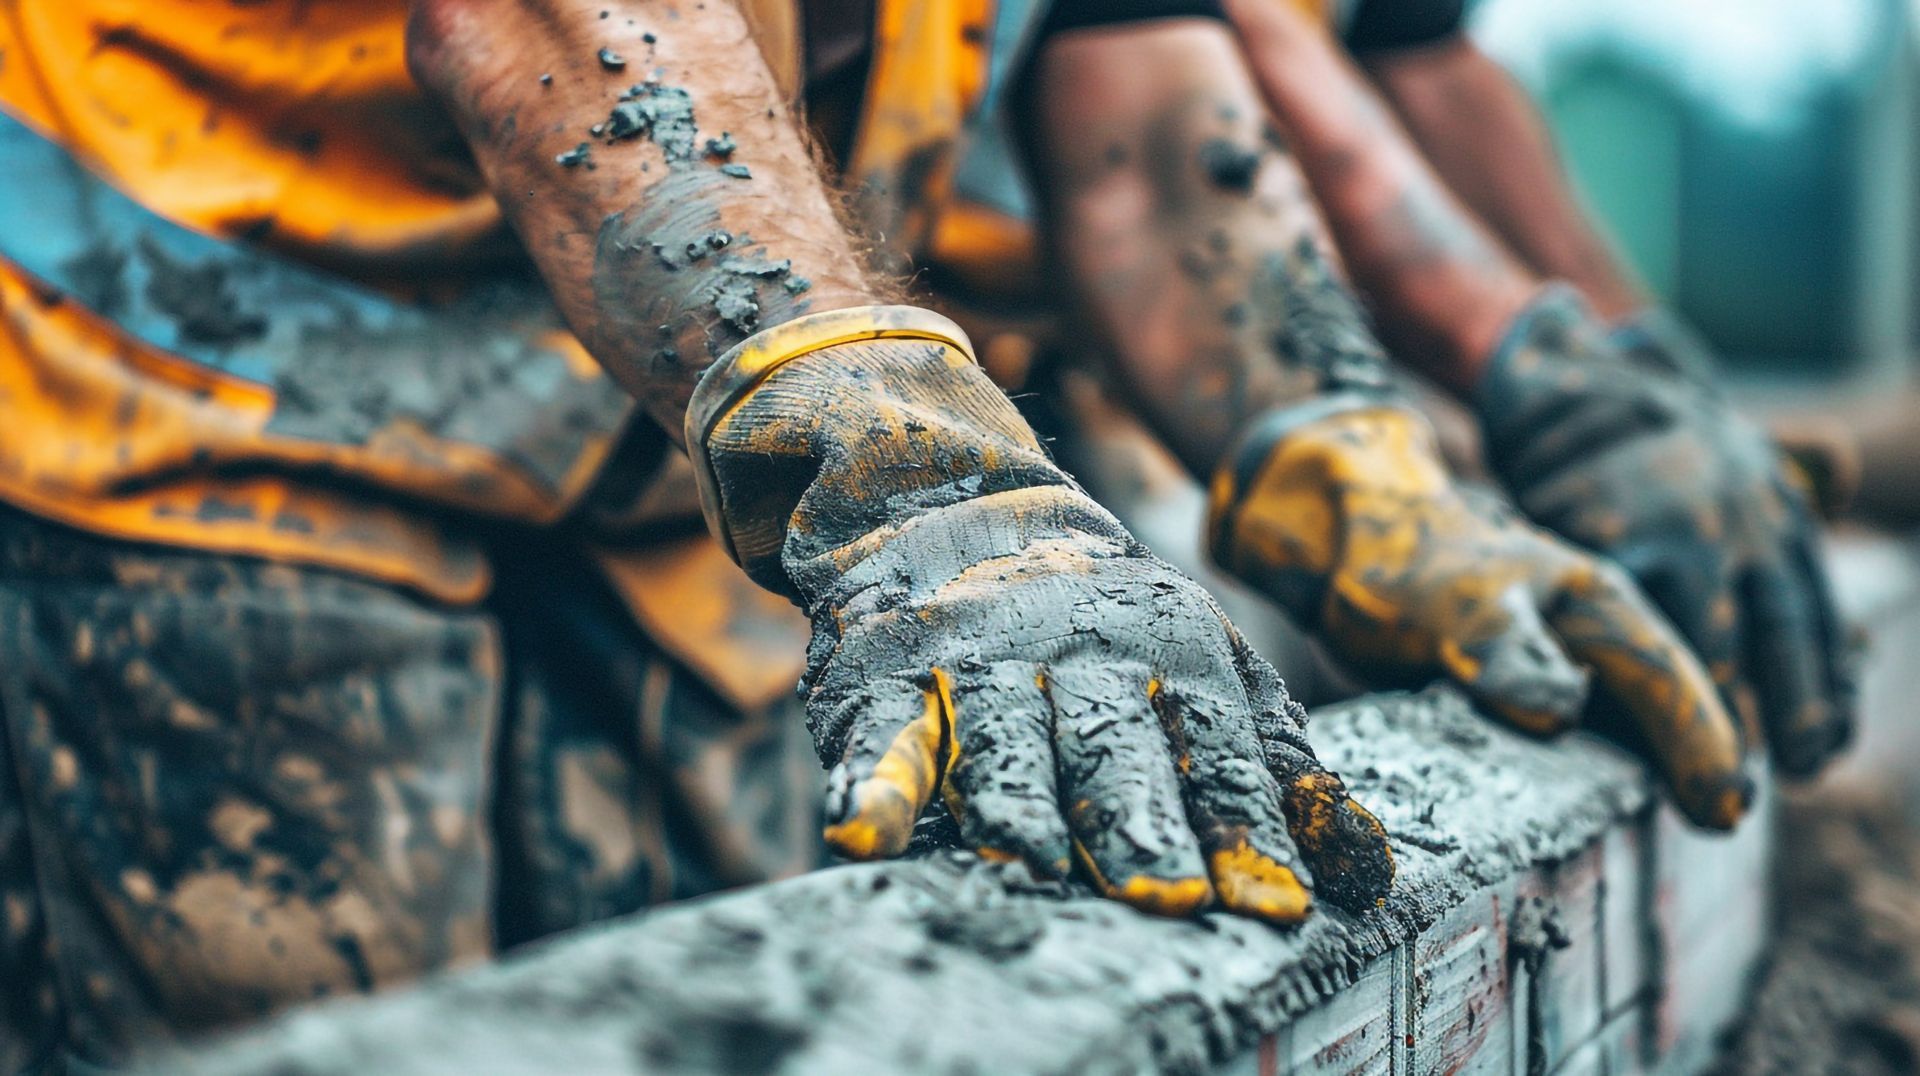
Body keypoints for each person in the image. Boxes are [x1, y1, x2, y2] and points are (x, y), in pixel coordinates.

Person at [0, 1, 1400, 1066]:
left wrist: (1372, 459)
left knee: (715, 1020)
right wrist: (926, 478)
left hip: (665, 441)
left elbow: (1141, 90)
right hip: (214, 408)